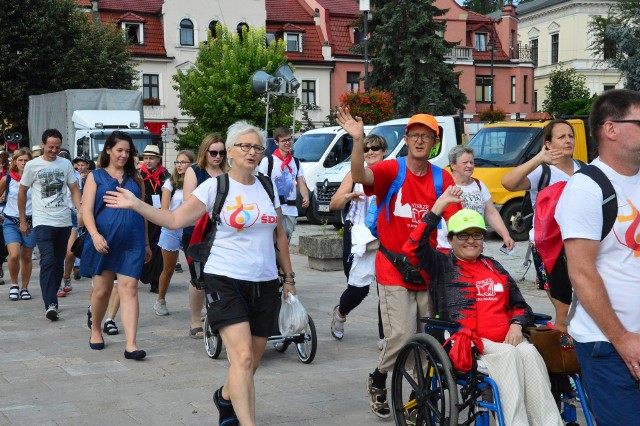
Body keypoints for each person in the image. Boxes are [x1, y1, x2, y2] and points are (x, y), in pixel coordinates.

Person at [104, 121, 297, 426]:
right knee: (243, 358)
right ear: (230, 151)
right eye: (244, 146)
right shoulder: (214, 187)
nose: (251, 152)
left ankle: (224, 396)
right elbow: (173, 220)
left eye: (257, 147)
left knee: (252, 363)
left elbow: (280, 237)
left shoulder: (267, 186)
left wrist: (288, 278)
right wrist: (136, 204)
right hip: (225, 278)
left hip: (265, 282)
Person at [337, 107, 460, 418]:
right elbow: (361, 175)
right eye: (415, 135)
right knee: (403, 336)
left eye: (427, 136)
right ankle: (378, 379)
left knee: (427, 341)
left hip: (425, 269)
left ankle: (416, 402)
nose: (420, 141)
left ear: (435, 142)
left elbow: (456, 223)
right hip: (392, 266)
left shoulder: (440, 177)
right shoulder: (391, 170)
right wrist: (357, 141)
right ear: (406, 139)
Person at [404, 205, 563, 426]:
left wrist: (516, 325)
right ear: (451, 239)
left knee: (529, 353)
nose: (471, 240)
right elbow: (412, 247)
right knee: (509, 355)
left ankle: (549, 423)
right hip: (466, 341)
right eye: (463, 235)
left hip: (507, 338)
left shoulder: (494, 266)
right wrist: (438, 207)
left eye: (477, 234)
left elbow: (520, 305)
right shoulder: (441, 265)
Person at [555, 89, 640, 424]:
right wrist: (623, 340)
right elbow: (581, 273)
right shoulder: (587, 188)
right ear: (611, 129)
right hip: (607, 344)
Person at [502, 120, 583, 332]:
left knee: (583, 307)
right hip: (549, 248)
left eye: (570, 136)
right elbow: (508, 183)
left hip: (578, 245)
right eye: (561, 137)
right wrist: (539, 158)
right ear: (548, 143)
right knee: (564, 308)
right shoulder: (542, 171)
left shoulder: (584, 169)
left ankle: (573, 354)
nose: (568, 140)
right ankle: (563, 359)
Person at [80, 131, 151, 359]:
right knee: (102, 291)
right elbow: (86, 211)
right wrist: (94, 235)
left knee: (129, 289)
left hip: (133, 242)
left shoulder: (136, 179)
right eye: (119, 150)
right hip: (103, 242)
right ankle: (96, 329)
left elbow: (143, 213)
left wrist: (147, 243)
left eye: (127, 151)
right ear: (108, 150)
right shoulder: (96, 177)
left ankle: (131, 344)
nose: (123, 155)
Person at [328, 134, 386, 342]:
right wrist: (348, 196)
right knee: (358, 289)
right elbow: (333, 204)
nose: (370, 152)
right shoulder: (354, 174)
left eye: (375, 148)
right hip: (358, 237)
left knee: (387, 289)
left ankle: (384, 337)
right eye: (366, 149)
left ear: (384, 151)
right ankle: (341, 314)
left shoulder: (391, 172)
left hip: (385, 236)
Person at [19, 129, 82, 320]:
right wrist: (23, 220)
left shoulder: (65, 164)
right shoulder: (32, 165)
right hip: (42, 221)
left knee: (58, 264)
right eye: (50, 147)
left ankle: (52, 294)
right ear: (43, 144)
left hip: (63, 221)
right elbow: (22, 192)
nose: (54, 150)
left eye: (57, 147)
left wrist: (81, 211)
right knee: (47, 260)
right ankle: (51, 303)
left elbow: (74, 189)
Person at [182, 133, 227, 338]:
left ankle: (219, 315)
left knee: (221, 277)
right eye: (214, 152)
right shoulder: (195, 171)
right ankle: (194, 319)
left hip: (222, 232)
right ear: (205, 152)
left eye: (221, 152)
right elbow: (188, 202)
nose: (218, 156)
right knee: (198, 278)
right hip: (198, 231)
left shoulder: (228, 171)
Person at [437, 145, 514, 251]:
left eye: (471, 162)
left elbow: (491, 213)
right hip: (449, 246)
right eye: (465, 163)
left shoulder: (479, 185)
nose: (469, 166)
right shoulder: (444, 186)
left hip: (474, 245)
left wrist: (505, 235)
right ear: (453, 165)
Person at [154, 149, 195, 316]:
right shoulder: (170, 182)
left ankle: (199, 304)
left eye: (183, 162)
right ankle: (160, 300)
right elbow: (164, 209)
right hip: (172, 228)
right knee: (168, 268)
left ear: (192, 164)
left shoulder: (198, 181)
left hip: (191, 227)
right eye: (177, 162)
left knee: (196, 269)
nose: (179, 165)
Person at [257, 126, 309, 241]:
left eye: (289, 139)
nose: (288, 143)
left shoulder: (295, 162)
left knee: (286, 241)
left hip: (290, 209)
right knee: (275, 241)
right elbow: (260, 184)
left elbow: (301, 181)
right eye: (284, 141)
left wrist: (305, 196)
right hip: (273, 208)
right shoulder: (268, 161)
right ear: (276, 142)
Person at [1, 148, 35, 301]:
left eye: (26, 160)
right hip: (11, 221)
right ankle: (14, 284)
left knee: (27, 257)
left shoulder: (35, 179)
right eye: (20, 160)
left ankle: (24, 288)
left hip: (31, 221)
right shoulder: (7, 179)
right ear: (15, 162)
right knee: (14, 255)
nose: (23, 163)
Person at [139, 144, 170, 294]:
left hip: (161, 214)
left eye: (151, 158)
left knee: (159, 247)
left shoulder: (165, 176)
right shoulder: (139, 175)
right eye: (146, 158)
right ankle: (146, 275)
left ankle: (156, 280)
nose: (148, 161)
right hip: (144, 215)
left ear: (158, 159)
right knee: (147, 245)